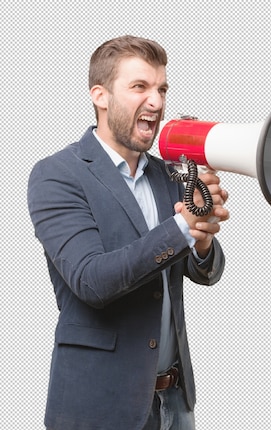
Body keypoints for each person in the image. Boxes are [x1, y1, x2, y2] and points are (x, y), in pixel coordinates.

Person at [27, 35, 229, 430]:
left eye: (162, 88)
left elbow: (207, 271)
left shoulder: (168, 173)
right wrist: (182, 228)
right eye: (140, 87)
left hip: (175, 402)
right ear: (100, 96)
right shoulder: (57, 175)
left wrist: (202, 240)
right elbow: (92, 280)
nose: (156, 102)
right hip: (99, 406)